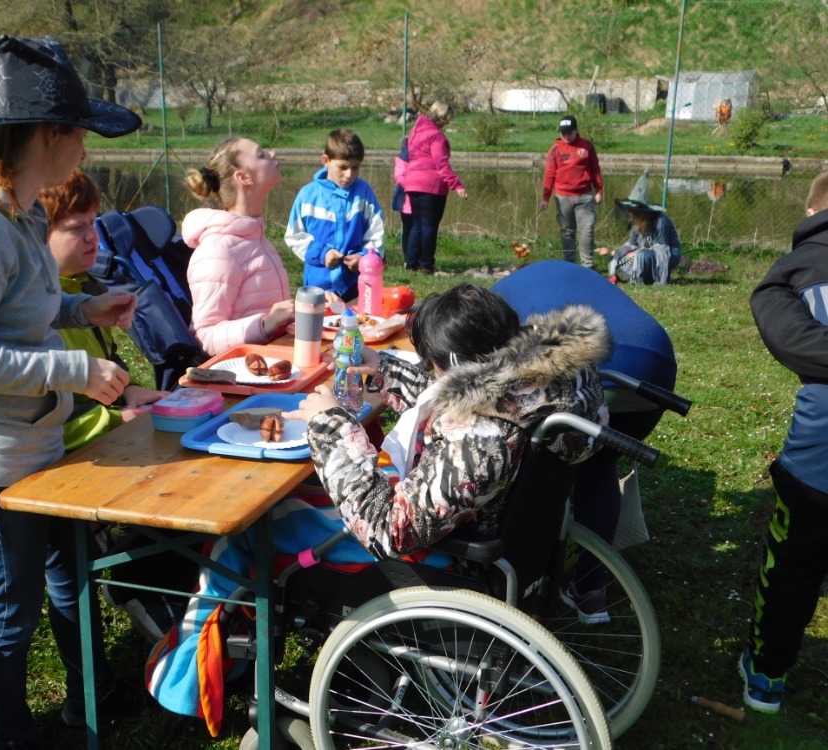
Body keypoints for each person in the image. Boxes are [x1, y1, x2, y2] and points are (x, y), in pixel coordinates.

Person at [145, 283, 609, 730]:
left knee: (255, 524)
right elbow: (454, 394)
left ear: (454, 365)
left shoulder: (481, 439)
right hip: (497, 538)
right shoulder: (545, 387)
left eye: (431, 365)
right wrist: (384, 370)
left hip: (440, 560)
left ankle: (189, 676)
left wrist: (330, 425)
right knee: (300, 500)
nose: (429, 372)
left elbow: (389, 529)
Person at [0, 35, 144, 749]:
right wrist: (72, 371)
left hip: (30, 444)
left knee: (69, 576)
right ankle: (8, 738)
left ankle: (88, 701)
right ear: (49, 135)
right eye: (80, 133)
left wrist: (84, 309)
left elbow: (19, 313)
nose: (85, 148)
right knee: (10, 613)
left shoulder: (22, 209)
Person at [494, 260, 678, 622]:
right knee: (599, 464)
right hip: (654, 358)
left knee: (534, 463)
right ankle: (590, 589)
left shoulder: (493, 305)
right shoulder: (546, 278)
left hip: (590, 356)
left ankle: (529, 574)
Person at [740, 170, 828, 714]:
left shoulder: (794, 268)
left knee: (793, 563)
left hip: (819, 457)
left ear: (813, 210)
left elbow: (789, 338)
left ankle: (766, 675)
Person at [40, 169, 169, 451]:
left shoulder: (89, 287)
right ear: (38, 233)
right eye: (77, 227)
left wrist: (129, 389)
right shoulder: (30, 305)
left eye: (92, 222)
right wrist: (113, 420)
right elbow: (44, 418)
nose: (93, 236)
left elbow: (107, 356)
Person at [183, 137, 295, 357]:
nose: (272, 154)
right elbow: (204, 336)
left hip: (277, 364)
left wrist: (312, 304)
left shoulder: (257, 238)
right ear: (244, 177)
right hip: (246, 375)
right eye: (261, 154)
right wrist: (264, 324)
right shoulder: (218, 251)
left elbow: (272, 312)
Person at [284, 128, 385, 301]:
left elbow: (376, 234)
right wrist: (322, 254)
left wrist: (364, 259)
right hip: (318, 286)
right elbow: (294, 236)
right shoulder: (308, 195)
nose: (349, 175)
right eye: (343, 167)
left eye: (355, 168)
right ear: (326, 161)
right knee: (319, 319)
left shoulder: (364, 193)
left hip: (356, 285)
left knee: (358, 318)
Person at [403, 101, 468, 274]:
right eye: (447, 119)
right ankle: (426, 265)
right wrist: (457, 185)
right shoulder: (436, 136)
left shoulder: (415, 132)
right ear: (442, 117)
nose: (448, 122)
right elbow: (442, 165)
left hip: (412, 182)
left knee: (417, 225)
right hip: (430, 185)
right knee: (430, 226)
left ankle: (411, 263)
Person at [539, 114, 604, 269]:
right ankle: (570, 265)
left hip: (584, 196)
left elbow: (595, 169)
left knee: (587, 230)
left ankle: (587, 265)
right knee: (567, 231)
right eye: (563, 133)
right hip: (563, 197)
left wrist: (599, 189)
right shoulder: (555, 150)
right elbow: (550, 174)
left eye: (569, 132)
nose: (566, 136)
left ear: (576, 130)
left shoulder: (587, 146)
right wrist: (545, 198)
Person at [608, 170, 682, 285]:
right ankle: (641, 274)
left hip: (667, 254)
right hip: (646, 252)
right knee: (619, 258)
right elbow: (632, 244)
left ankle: (649, 277)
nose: (630, 213)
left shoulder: (660, 220)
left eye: (633, 211)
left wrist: (636, 254)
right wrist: (615, 253)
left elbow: (662, 252)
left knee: (641, 256)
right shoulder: (636, 222)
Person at [392, 135, 413, 264]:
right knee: (408, 230)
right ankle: (408, 259)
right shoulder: (403, 158)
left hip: (418, 201)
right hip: (406, 202)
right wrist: (415, 185)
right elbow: (399, 176)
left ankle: (415, 258)